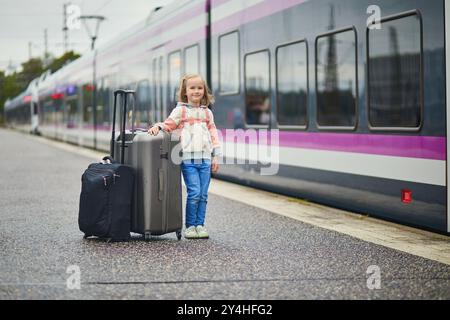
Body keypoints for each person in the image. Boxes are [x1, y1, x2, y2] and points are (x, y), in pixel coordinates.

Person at [148, 74, 221, 239]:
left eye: (200, 88)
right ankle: (190, 226)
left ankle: (200, 225)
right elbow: (168, 124)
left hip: (206, 159)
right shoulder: (180, 110)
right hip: (188, 159)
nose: (196, 91)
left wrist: (216, 156)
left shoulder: (207, 113)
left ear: (204, 91)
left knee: (203, 194)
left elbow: (213, 133)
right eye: (192, 88)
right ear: (185, 91)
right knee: (194, 192)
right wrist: (157, 127)